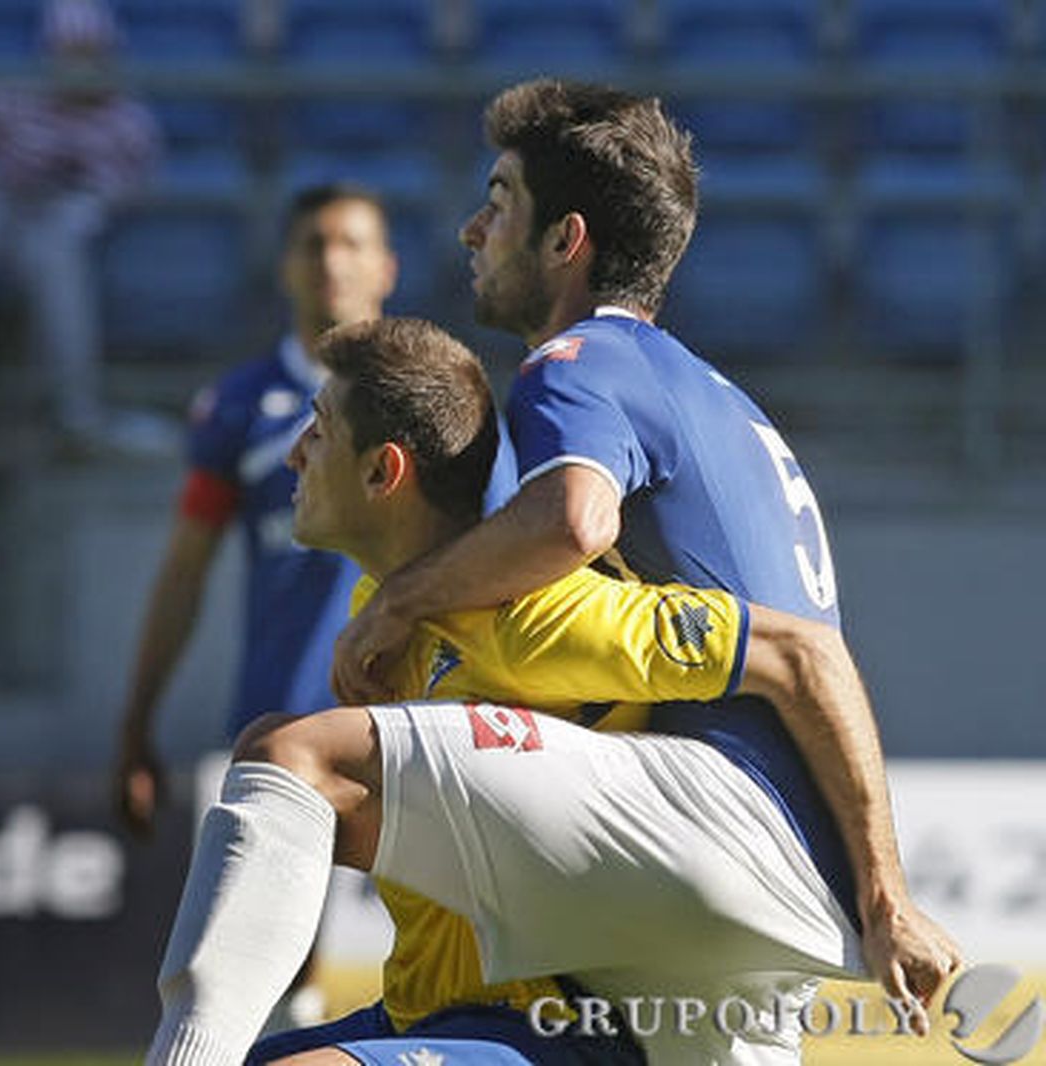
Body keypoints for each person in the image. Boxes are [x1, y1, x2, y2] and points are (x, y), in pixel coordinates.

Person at [145, 318, 959, 1066]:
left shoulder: (533, 611)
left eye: (318, 430)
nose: (293, 455)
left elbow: (803, 650)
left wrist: (886, 901)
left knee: (286, 753)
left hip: (555, 1028)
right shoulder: (378, 615)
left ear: (382, 469)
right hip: (424, 1011)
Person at [329, 80, 945, 1013]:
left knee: (307, 758)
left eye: (499, 202)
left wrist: (400, 600)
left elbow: (573, 521)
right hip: (809, 873)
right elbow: (814, 655)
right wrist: (884, 894)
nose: (470, 230)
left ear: (564, 241)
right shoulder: (718, 396)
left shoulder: (573, 364)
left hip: (717, 819)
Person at [113, 183, 398, 836]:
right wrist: (136, 724)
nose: (332, 261)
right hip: (278, 735)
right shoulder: (238, 406)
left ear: (387, 267)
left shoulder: (436, 403)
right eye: (313, 245)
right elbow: (184, 572)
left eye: (351, 244)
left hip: (402, 739)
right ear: (285, 266)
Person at [0, 0, 160, 444]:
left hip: (57, 223)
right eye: (69, 53)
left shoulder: (127, 119)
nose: (79, 66)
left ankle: (77, 416)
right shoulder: (20, 93)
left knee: (61, 267)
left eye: (90, 53)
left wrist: (87, 206)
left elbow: (132, 182)